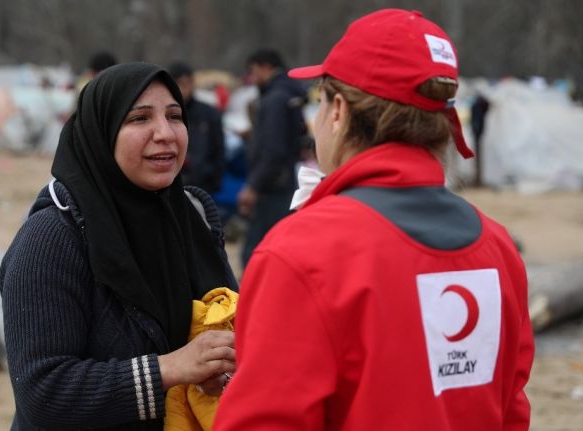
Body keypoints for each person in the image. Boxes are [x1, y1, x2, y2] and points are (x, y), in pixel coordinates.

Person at [215, 9, 534, 431]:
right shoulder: (497, 247)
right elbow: (510, 411)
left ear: (339, 110)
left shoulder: (301, 252)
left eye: (320, 100)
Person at [0, 62, 237, 430]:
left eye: (175, 116)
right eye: (140, 119)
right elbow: (41, 394)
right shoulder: (52, 237)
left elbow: (221, 331)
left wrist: (219, 367)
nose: (165, 133)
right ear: (102, 133)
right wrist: (169, 369)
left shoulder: (193, 215)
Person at [238, 48, 308, 268]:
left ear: (266, 67)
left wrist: (253, 186)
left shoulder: (275, 99)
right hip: (284, 181)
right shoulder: (289, 95)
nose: (252, 78)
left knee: (256, 255)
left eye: (253, 71)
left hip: (271, 186)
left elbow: (274, 148)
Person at [168, 61, 226, 194]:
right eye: (178, 84)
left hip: (203, 186)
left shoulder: (209, 113)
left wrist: (215, 181)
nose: (183, 89)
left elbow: (219, 151)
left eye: (186, 84)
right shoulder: (162, 114)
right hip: (170, 185)